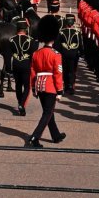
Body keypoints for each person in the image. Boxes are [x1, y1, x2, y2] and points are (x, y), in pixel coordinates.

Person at [25, 15, 66, 148]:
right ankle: (34, 137)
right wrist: (60, 91)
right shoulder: (55, 54)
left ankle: (56, 135)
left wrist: (33, 87)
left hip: (39, 85)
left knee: (49, 112)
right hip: (50, 87)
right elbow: (57, 74)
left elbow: (33, 71)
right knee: (47, 113)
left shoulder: (37, 53)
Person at [10, 18, 37, 116]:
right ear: (26, 28)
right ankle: (22, 104)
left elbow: (10, 54)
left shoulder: (11, 40)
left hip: (16, 64)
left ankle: (19, 102)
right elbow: (33, 55)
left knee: (18, 85)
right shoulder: (31, 40)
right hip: (26, 64)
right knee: (27, 87)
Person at [56, 14, 82, 95]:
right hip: (74, 55)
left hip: (63, 54)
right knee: (72, 71)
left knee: (64, 70)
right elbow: (80, 45)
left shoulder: (61, 32)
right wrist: (81, 53)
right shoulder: (77, 33)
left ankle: (66, 86)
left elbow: (57, 46)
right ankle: (71, 86)